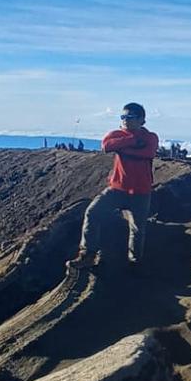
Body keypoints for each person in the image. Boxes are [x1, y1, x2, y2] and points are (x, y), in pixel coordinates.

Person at [67, 103, 159, 270]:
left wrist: (121, 148)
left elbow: (148, 152)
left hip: (141, 191)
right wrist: (131, 140)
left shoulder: (150, 137)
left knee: (137, 230)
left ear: (141, 120)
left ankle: (135, 264)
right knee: (92, 213)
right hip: (117, 189)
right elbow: (106, 146)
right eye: (123, 117)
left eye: (130, 117)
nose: (125, 120)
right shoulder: (118, 134)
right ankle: (87, 254)